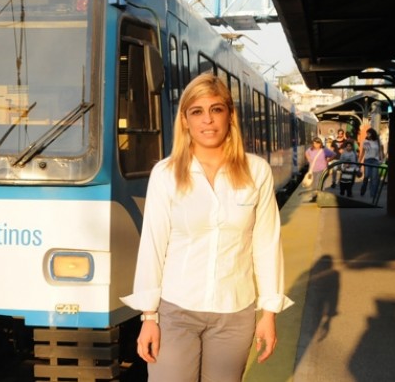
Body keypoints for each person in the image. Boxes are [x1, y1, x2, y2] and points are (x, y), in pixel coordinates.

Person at [120, 73, 293, 382]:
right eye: (197, 111)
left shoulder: (257, 171)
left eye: (216, 109)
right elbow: (153, 246)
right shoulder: (166, 173)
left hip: (234, 312)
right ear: (185, 120)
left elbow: (266, 244)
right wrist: (148, 317)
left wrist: (268, 313)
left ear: (230, 115)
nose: (208, 121)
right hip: (176, 311)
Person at [358, 128, 384, 198]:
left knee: (374, 178)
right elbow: (363, 152)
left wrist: (381, 159)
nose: (367, 135)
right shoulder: (365, 141)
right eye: (367, 133)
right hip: (367, 160)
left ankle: (373, 194)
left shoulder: (378, 141)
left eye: (368, 133)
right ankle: (363, 188)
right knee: (366, 176)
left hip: (375, 160)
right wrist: (359, 162)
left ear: (372, 133)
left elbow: (380, 151)